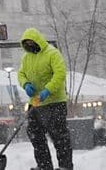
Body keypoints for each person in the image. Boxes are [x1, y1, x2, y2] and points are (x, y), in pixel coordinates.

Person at [17, 27, 73, 170]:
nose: (29, 46)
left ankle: (65, 166)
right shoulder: (26, 58)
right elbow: (21, 74)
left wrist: (48, 90)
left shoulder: (52, 53)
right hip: (36, 102)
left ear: (38, 41)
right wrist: (26, 84)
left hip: (55, 102)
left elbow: (60, 74)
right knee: (35, 134)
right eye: (26, 44)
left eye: (31, 43)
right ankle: (44, 165)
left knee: (59, 136)